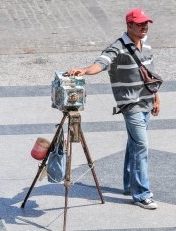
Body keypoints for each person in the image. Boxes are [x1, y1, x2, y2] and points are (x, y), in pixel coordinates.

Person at [68, 8, 160, 209]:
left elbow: (150, 76)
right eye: (140, 23)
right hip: (131, 105)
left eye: (146, 23)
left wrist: (156, 98)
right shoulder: (117, 48)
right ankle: (141, 194)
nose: (145, 26)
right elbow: (101, 63)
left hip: (146, 103)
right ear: (129, 26)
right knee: (141, 146)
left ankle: (129, 185)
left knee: (134, 144)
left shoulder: (147, 46)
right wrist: (85, 70)